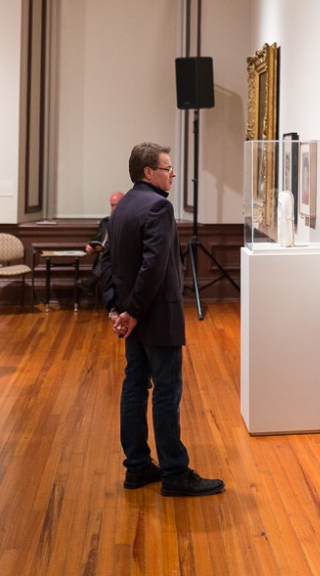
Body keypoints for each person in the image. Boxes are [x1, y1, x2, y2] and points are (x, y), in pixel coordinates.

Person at [101, 142, 225, 497]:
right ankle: (174, 472)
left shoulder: (122, 205)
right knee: (167, 393)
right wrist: (135, 313)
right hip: (154, 318)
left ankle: (138, 467)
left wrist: (117, 310)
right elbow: (153, 268)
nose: (173, 174)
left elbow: (107, 262)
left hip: (133, 316)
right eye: (167, 168)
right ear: (148, 173)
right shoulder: (158, 207)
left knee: (135, 387)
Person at [79, 190, 124, 294]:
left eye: (117, 205)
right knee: (106, 256)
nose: (114, 208)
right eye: (112, 205)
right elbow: (97, 238)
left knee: (108, 256)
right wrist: (90, 245)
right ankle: (93, 283)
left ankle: (91, 282)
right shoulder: (105, 222)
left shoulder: (129, 221)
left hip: (121, 259)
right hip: (104, 256)